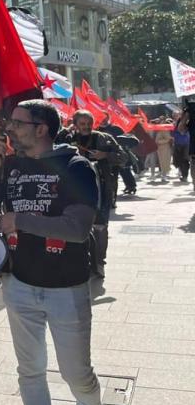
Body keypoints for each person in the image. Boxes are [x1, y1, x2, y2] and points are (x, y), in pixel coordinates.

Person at [0, 100, 102, 405]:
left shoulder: (77, 167)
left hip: (66, 288)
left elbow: (77, 229)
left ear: (41, 129)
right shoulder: (9, 165)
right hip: (20, 284)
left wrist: (20, 221)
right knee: (29, 370)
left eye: (17, 122)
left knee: (76, 373)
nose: (9, 128)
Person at [65, 110, 125, 279]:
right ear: (75, 124)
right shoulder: (68, 139)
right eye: (82, 124)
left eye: (89, 124)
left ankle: (99, 263)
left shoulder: (104, 138)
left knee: (100, 226)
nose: (86, 127)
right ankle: (81, 261)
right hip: (74, 190)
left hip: (102, 189)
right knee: (75, 225)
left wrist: (105, 155)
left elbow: (123, 157)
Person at [172, 112, 190, 183]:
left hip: (185, 144)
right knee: (180, 160)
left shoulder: (187, 123)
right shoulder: (176, 123)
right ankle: (184, 175)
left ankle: (185, 176)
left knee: (184, 161)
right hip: (179, 144)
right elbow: (173, 133)